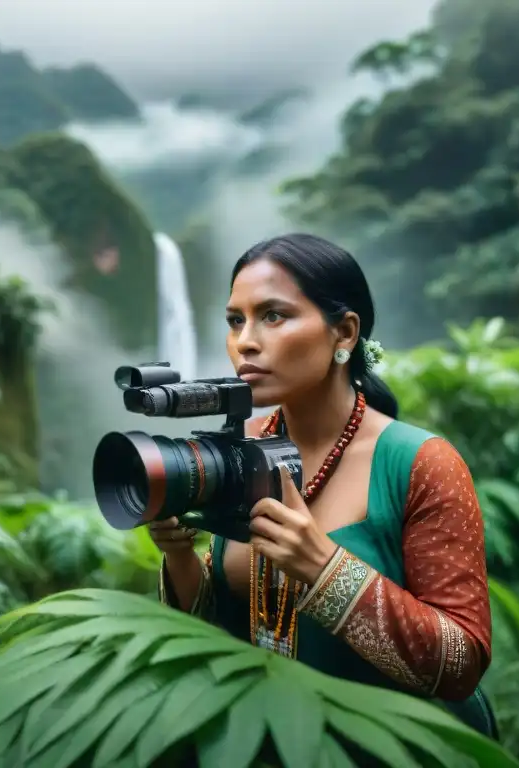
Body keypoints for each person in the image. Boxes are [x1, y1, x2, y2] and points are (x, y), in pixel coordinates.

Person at [149, 233, 496, 736]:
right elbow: (216, 626)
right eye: (235, 320)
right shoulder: (237, 449)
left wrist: (322, 566)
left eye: (273, 316)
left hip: (400, 748)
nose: (245, 341)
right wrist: (179, 556)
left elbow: (460, 664)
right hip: (267, 742)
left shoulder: (422, 463)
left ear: (345, 332)